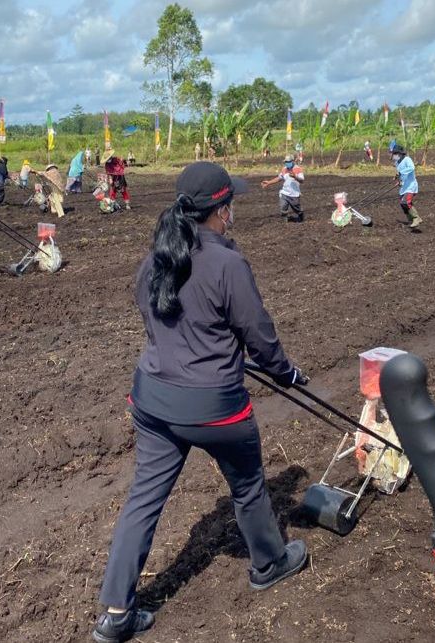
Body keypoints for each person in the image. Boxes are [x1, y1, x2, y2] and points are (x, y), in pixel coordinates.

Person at [92, 161, 310, 643]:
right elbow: (259, 336)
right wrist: (287, 373)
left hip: (151, 400)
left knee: (143, 500)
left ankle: (114, 613)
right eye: (231, 203)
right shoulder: (228, 264)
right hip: (214, 409)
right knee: (249, 485)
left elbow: (153, 318)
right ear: (221, 210)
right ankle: (269, 563)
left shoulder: (156, 258)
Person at [260, 155, 305, 222]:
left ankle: (301, 216)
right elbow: (279, 178)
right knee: (283, 207)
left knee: (297, 208)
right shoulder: (284, 169)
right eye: (286, 162)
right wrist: (269, 182)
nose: (287, 163)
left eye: (288, 162)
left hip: (294, 194)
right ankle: (285, 221)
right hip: (285, 192)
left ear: (292, 161)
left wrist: (295, 177)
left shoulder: (297, 169)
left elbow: (302, 180)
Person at [390, 144, 421, 228]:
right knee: (402, 203)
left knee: (405, 202)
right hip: (404, 186)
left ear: (398, 154)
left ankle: (416, 218)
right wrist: (399, 180)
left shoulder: (407, 159)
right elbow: (402, 175)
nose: (392, 155)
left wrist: (401, 172)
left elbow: (412, 167)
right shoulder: (397, 163)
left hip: (411, 186)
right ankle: (410, 220)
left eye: (393, 154)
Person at [104, 146, 130, 210]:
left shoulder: (116, 159)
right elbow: (108, 172)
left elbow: (123, 163)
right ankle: (112, 204)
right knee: (112, 191)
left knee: (123, 190)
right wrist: (110, 179)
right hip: (113, 177)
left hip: (120, 176)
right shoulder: (107, 164)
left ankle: (127, 205)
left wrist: (125, 162)